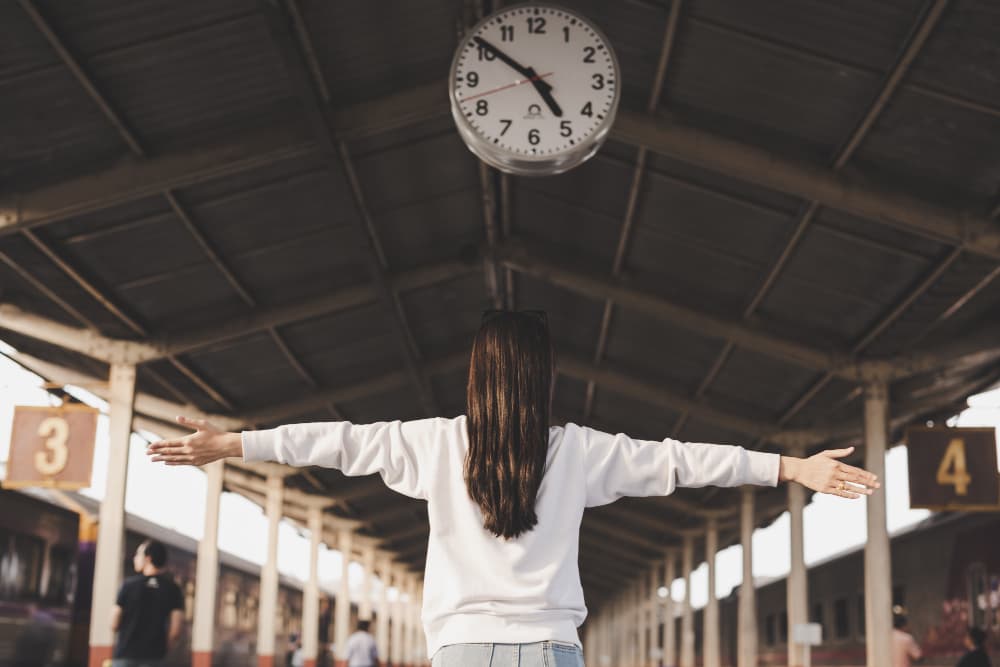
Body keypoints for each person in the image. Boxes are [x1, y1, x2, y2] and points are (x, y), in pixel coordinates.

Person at [148, 310, 880, 667]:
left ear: (476, 373)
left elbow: (331, 441)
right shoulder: (581, 452)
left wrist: (235, 442)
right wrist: (790, 466)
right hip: (553, 652)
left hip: (462, 652)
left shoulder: (431, 443)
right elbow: (683, 460)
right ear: (544, 378)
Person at [110, 539, 184, 667]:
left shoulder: (128, 585)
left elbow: (114, 623)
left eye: (138, 555)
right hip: (154, 658)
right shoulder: (173, 589)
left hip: (125, 655)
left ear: (148, 559)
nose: (135, 558)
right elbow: (175, 630)